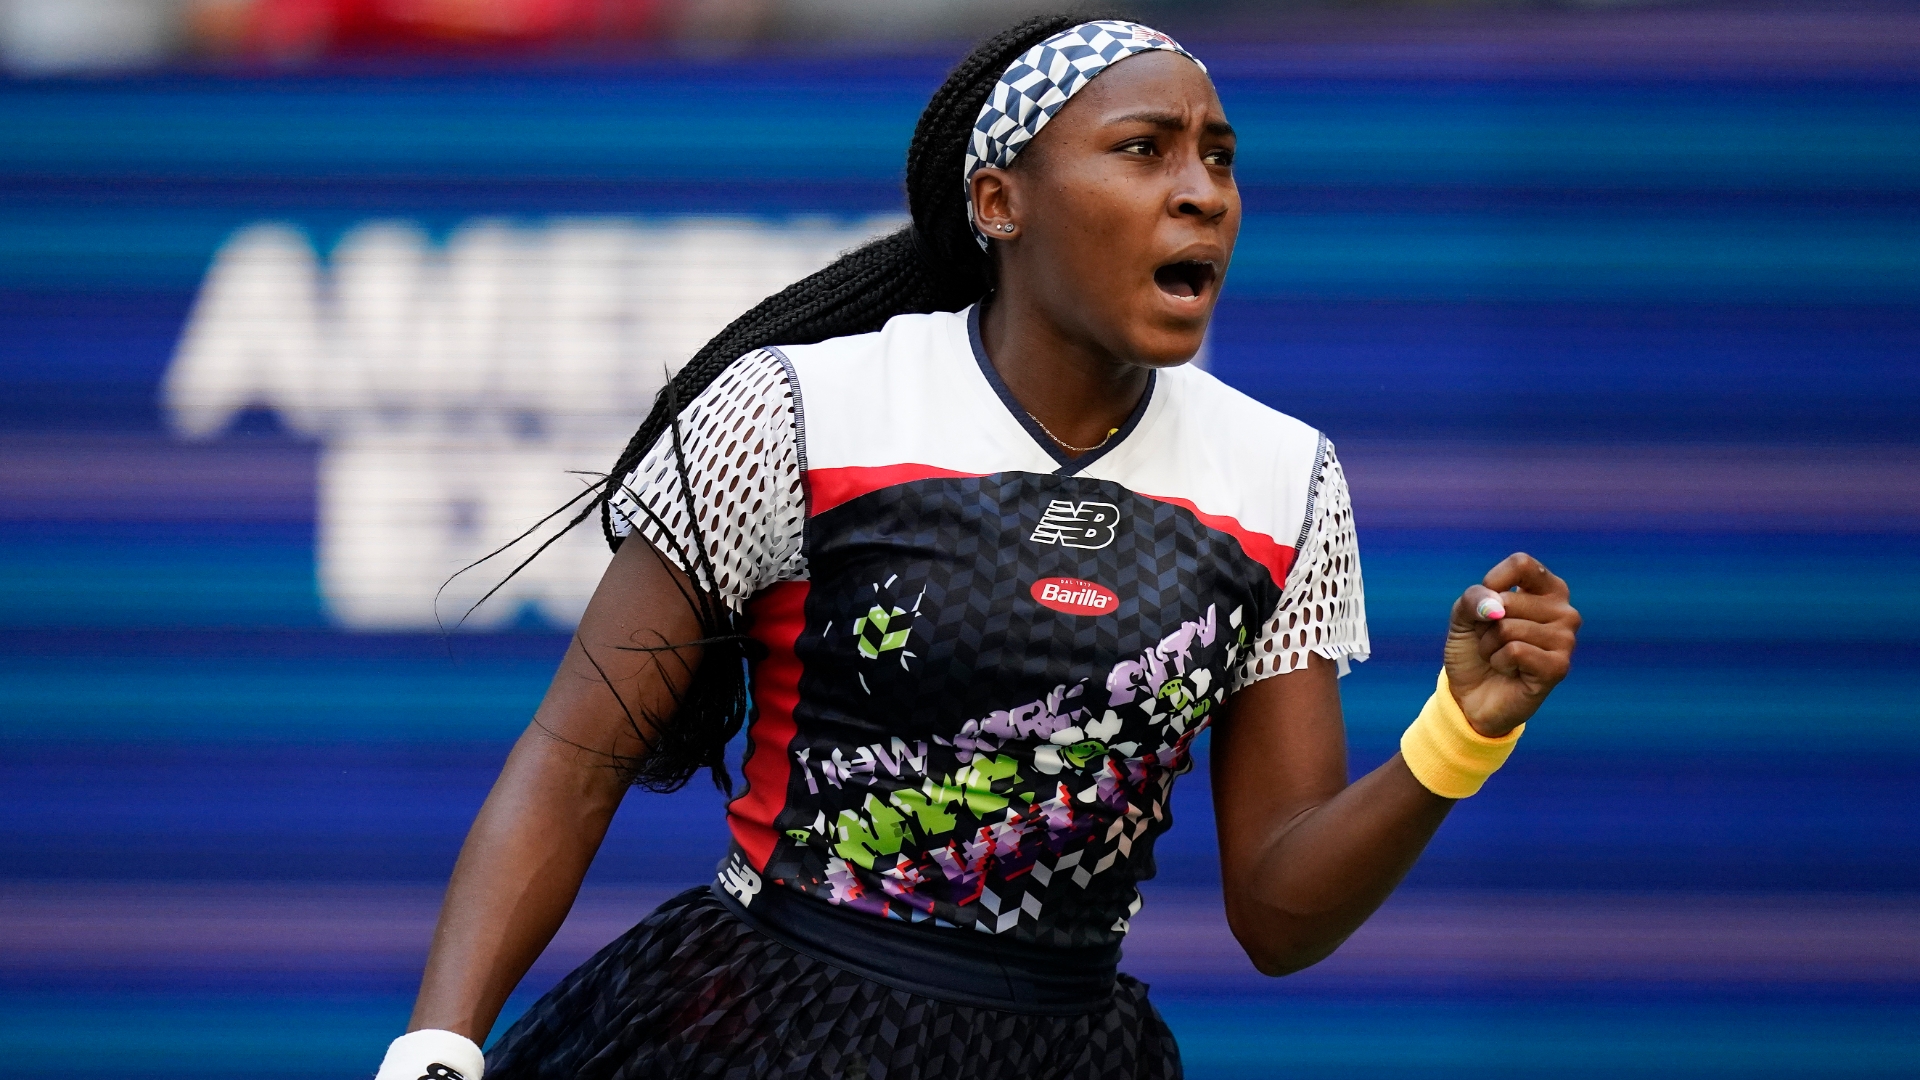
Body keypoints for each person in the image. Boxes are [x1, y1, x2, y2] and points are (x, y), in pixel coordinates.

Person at [373, 14, 1582, 1080]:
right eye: (1144, 148)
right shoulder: (799, 410)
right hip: (762, 1030)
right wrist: (437, 1048)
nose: (1203, 189)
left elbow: (1278, 913)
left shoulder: (1285, 480)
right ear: (999, 202)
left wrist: (1460, 733)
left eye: (1219, 156)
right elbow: (574, 759)